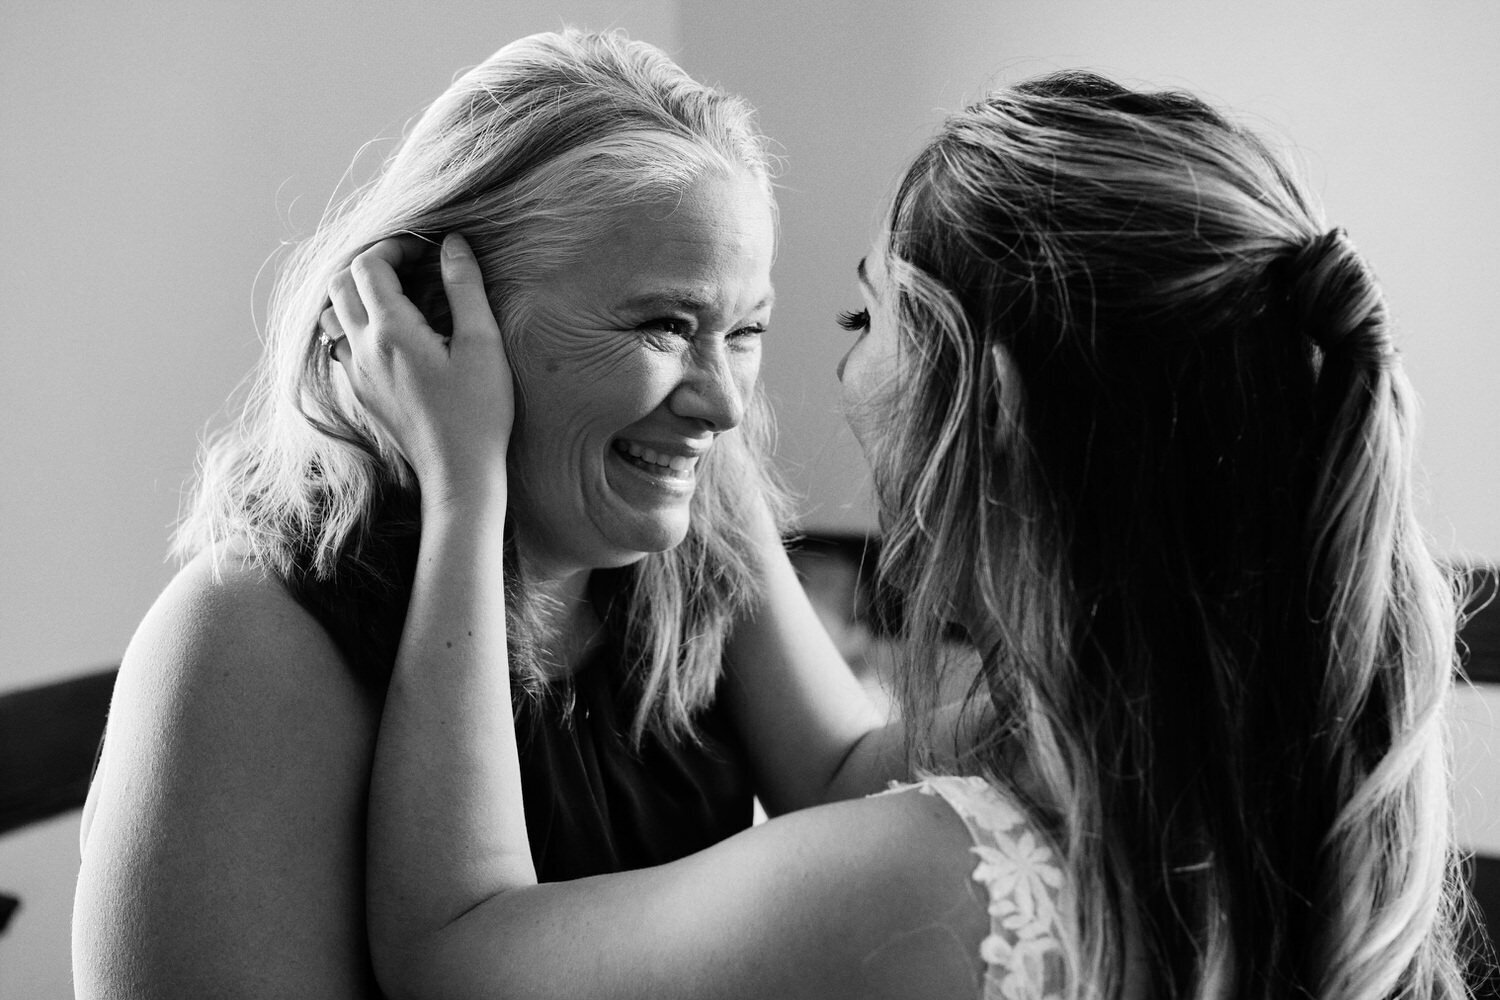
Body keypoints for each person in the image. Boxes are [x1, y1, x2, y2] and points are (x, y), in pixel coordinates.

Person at [357, 71, 1470, 1000]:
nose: (750, 401)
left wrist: (466, 486)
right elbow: (844, 766)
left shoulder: (918, 886)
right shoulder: (1208, 770)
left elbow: (455, 945)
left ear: (980, 404)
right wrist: (693, 366)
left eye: (864, 318)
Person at [71, 30, 895, 998]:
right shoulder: (240, 646)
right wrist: (468, 490)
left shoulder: (704, 506)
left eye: (744, 330)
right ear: (435, 320)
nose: (724, 404)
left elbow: (847, 778)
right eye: (664, 325)